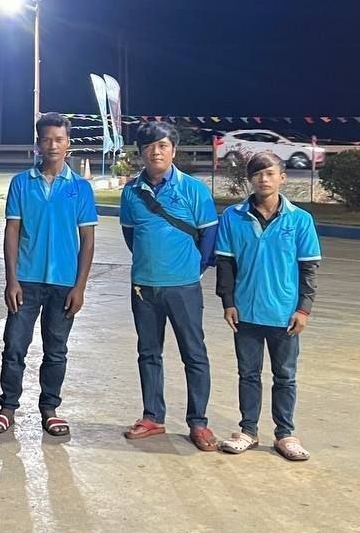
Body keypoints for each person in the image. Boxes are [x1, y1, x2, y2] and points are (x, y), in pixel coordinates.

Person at [0, 113, 97, 438]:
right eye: (46, 139)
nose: (53, 145)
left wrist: (80, 286)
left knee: (56, 349)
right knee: (14, 346)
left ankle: (50, 408)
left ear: (68, 144)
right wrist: (12, 279)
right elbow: (12, 232)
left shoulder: (80, 188)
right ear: (38, 144)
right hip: (26, 280)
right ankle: (8, 407)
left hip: (64, 283)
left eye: (59, 139)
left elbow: (88, 240)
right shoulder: (22, 183)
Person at [118, 121, 220, 451]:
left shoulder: (194, 189)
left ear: (173, 151)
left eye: (162, 145)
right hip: (144, 287)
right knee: (149, 352)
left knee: (194, 353)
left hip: (184, 287)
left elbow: (209, 236)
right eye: (149, 146)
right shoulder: (131, 192)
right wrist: (150, 263)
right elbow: (131, 235)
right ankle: (153, 416)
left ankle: (198, 422)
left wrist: (194, 269)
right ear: (141, 152)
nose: (156, 152)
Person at [215, 151, 321, 461]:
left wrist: (303, 309)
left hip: (284, 314)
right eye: (258, 174)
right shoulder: (233, 217)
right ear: (250, 179)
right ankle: (248, 430)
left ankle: (285, 434)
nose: (264, 179)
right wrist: (228, 302)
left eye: (270, 173)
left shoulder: (300, 220)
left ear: (282, 178)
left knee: (285, 376)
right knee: (248, 374)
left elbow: (309, 268)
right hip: (246, 311)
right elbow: (225, 263)